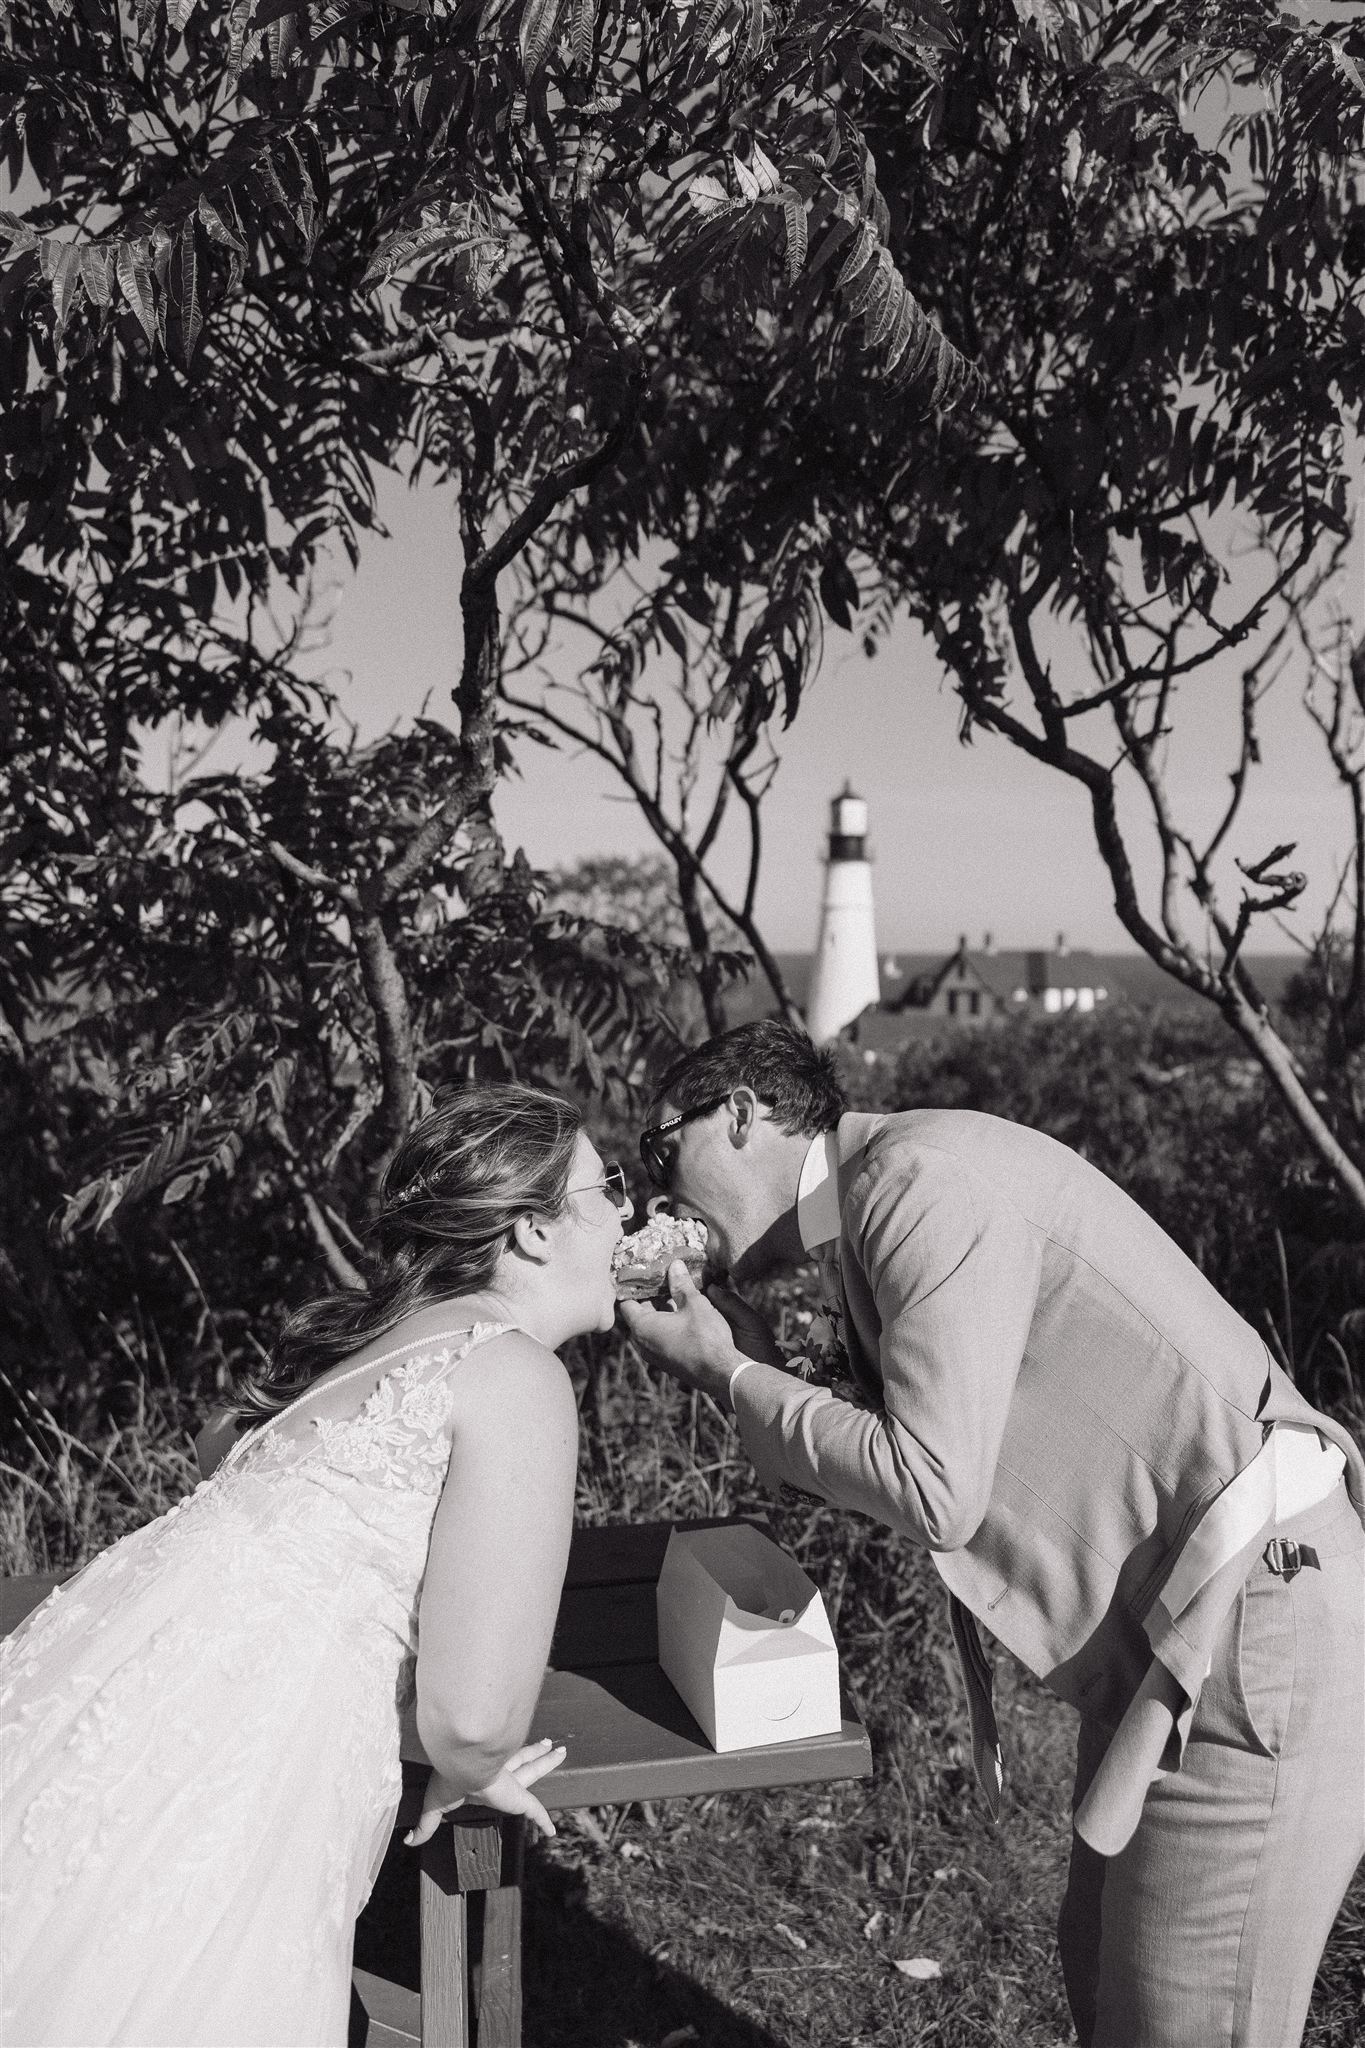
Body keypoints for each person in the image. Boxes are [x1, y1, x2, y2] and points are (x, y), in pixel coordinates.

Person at [620, 1020, 1365, 2048]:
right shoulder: (887, 1189)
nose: (658, 1199)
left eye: (661, 1153)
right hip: (1195, 1619)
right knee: (1106, 1976)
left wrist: (730, 1376)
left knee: (1181, 2016)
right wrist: (760, 1371)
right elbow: (917, 1457)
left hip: (1251, 1623)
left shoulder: (914, 1183)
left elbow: (934, 1490)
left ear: (741, 1112)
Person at [0, 1084, 632, 2047]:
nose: (629, 1214)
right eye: (607, 1187)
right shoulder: (516, 1375)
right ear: (533, 1232)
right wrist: (473, 1766)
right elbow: (470, 1717)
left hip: (121, 1686)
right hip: (244, 1758)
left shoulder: (375, 1350)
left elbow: (227, 1450)